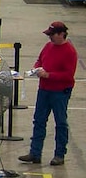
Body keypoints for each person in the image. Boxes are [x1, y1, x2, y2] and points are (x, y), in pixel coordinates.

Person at [19, 20, 77, 166]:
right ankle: (35, 153)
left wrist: (49, 75)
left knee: (61, 123)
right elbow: (40, 60)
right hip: (44, 90)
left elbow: (68, 75)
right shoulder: (48, 46)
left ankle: (59, 154)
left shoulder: (69, 52)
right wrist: (37, 68)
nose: (50, 37)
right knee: (39, 120)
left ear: (62, 34)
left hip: (60, 92)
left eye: (52, 35)